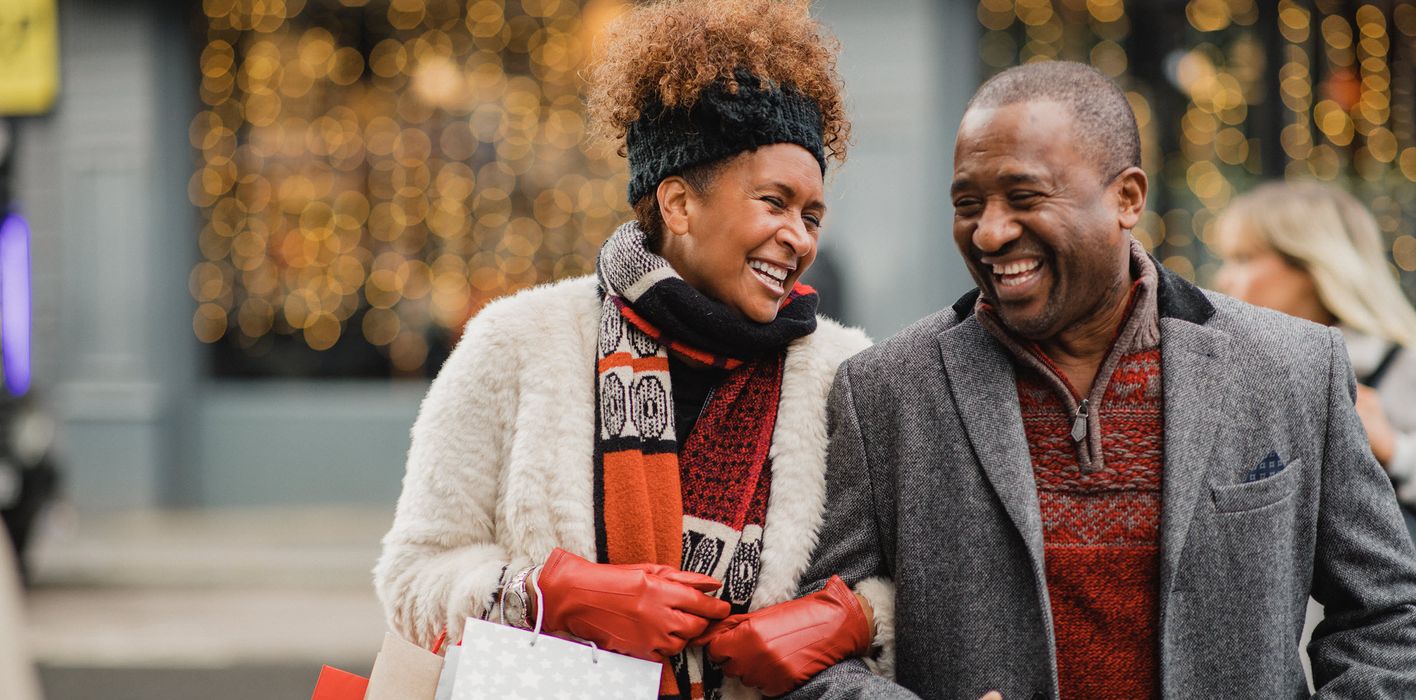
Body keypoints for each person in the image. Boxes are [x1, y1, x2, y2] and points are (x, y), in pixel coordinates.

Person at [787, 61, 1416, 700]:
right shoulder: (886, 390)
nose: (990, 232)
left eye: (1025, 198)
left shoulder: (1293, 368)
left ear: (1127, 198)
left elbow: (1388, 613)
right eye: (967, 204)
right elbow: (806, 645)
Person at [375, 1, 889, 698]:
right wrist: (555, 594)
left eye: (813, 214)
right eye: (774, 202)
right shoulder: (518, 343)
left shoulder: (844, 374)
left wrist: (852, 619)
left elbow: (916, 578)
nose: (799, 237)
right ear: (679, 204)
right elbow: (413, 576)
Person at [1214, 181, 1416, 541]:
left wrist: (1395, 451)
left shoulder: (1401, 364)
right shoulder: (1232, 375)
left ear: (1312, 264)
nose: (1223, 278)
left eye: (1244, 258)